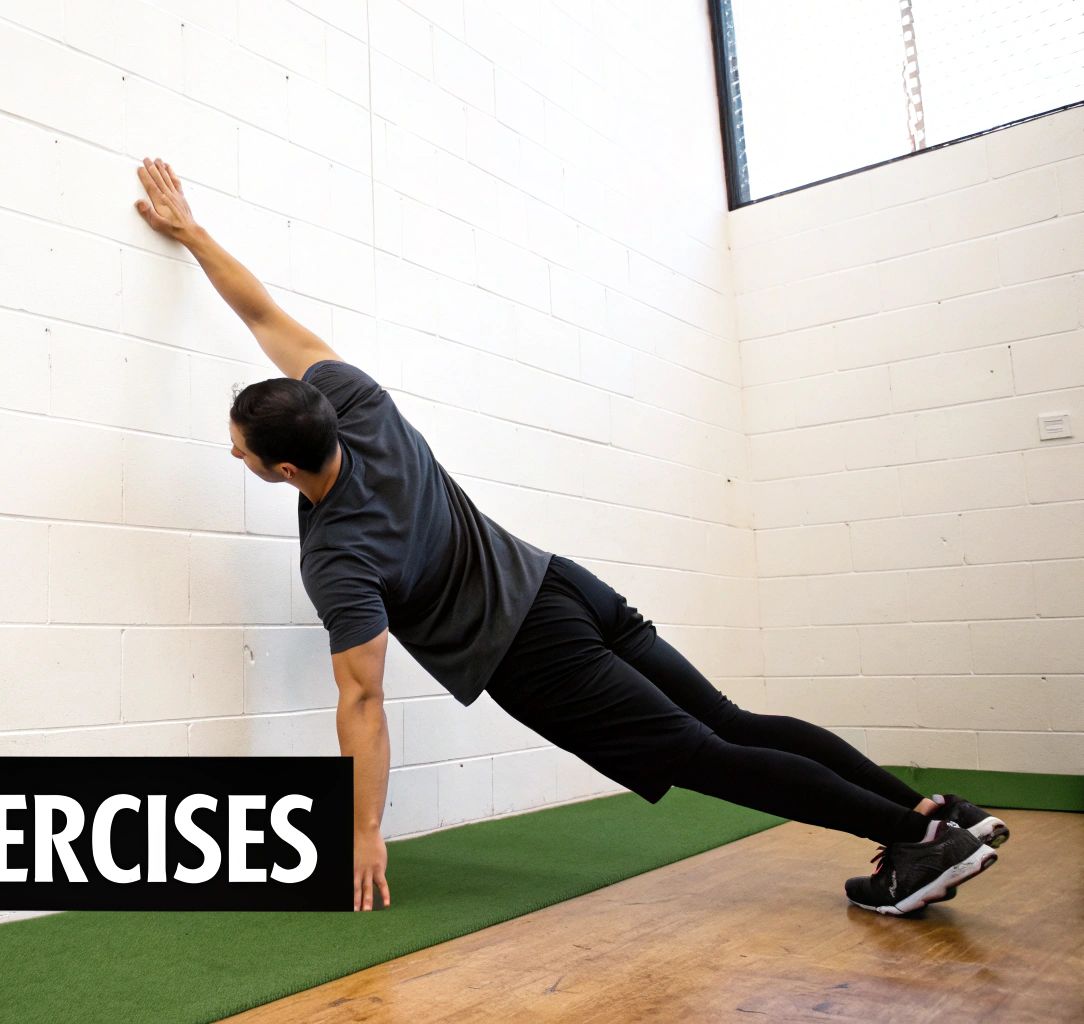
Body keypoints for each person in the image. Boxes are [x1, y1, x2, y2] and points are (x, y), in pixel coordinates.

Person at [132, 156, 1009, 916]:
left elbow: (362, 702)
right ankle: (939, 815)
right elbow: (264, 316)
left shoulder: (335, 557)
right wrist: (194, 231)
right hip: (564, 585)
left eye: (240, 450)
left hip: (536, 658)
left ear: (282, 471)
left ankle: (913, 838)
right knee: (732, 721)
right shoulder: (358, 402)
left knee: (708, 755)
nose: (236, 452)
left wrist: (362, 831)